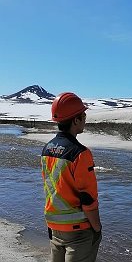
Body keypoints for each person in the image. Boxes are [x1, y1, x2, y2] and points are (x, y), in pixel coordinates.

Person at [41, 92, 102, 262]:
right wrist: (97, 228)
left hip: (53, 226)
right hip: (78, 231)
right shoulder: (81, 153)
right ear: (75, 120)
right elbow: (88, 198)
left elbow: (51, 188)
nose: (85, 119)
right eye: (83, 115)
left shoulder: (47, 149)